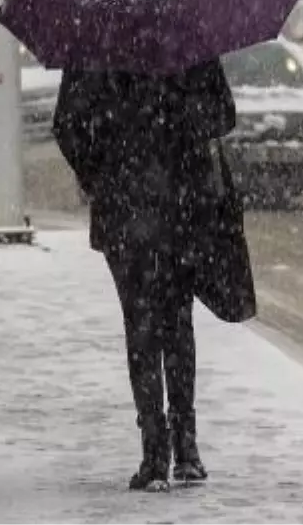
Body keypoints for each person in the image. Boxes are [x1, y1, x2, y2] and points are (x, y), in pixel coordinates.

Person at [53, 59, 256, 492]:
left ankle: (154, 453)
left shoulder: (95, 45)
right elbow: (223, 115)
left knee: (141, 324)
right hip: (183, 202)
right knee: (177, 321)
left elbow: (67, 126)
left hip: (125, 207)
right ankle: (186, 446)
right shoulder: (187, 43)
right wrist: (181, 120)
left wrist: (101, 173)